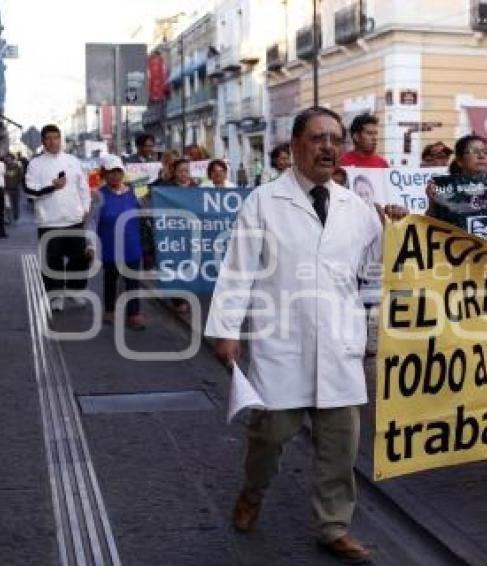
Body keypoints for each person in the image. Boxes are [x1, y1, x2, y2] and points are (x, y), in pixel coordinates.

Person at [206, 106, 406, 563]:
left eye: (335, 139)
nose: (328, 147)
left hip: (339, 343)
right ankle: (253, 492)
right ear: (295, 146)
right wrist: (224, 330)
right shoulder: (264, 201)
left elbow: (376, 271)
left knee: (339, 447)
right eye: (317, 138)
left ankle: (332, 526)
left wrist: (394, 228)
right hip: (282, 341)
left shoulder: (357, 209)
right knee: (270, 437)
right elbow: (238, 270)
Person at [25, 124, 92, 312]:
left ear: (60, 139)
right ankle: (55, 296)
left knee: (80, 257)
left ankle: (74, 289)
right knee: (51, 260)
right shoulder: (35, 164)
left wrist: (85, 207)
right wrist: (52, 186)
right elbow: (30, 190)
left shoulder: (73, 160)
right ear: (43, 141)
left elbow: (83, 186)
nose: (53, 141)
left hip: (73, 219)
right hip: (49, 221)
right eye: (48, 138)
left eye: (56, 137)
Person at [85, 154, 145, 330]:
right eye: (111, 172)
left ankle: (134, 314)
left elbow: (148, 212)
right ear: (104, 174)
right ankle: (110, 309)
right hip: (110, 245)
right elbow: (91, 221)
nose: (115, 176)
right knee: (111, 278)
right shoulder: (98, 196)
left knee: (132, 281)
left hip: (132, 244)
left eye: (118, 172)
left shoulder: (135, 192)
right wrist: (90, 244)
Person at [3, 153, 23, 223]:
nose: (8, 160)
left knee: (15, 203)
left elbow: (20, 176)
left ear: (12, 159)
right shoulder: (3, 167)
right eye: (7, 158)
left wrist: (18, 184)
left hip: (15, 188)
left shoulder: (17, 167)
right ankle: (9, 218)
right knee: (7, 204)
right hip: (6, 188)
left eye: (9, 158)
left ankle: (15, 215)